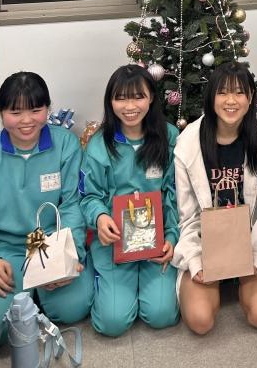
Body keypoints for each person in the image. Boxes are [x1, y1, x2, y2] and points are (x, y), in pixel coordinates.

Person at [0, 71, 93, 340]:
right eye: (15, 112)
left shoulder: (66, 145)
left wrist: (70, 254)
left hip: (52, 242)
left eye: (36, 110)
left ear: (47, 109)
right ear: (0, 112)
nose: (27, 121)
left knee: (74, 308)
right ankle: (27, 292)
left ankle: (36, 294)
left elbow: (72, 204)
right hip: (6, 248)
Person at [172, 62, 257, 334]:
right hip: (205, 243)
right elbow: (186, 214)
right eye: (222, 93)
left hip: (252, 238)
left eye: (239, 92)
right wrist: (195, 261)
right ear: (211, 97)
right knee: (200, 321)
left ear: (250, 97)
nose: (231, 101)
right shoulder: (189, 141)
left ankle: (247, 278)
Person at [80, 64, 179, 336]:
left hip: (157, 241)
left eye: (138, 96)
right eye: (121, 98)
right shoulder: (99, 144)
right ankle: (109, 285)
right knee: (112, 323)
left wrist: (172, 236)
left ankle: (146, 289)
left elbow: (175, 193)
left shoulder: (170, 137)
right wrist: (100, 217)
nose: (130, 106)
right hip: (114, 242)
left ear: (152, 98)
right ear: (110, 101)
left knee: (161, 315)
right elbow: (89, 195)